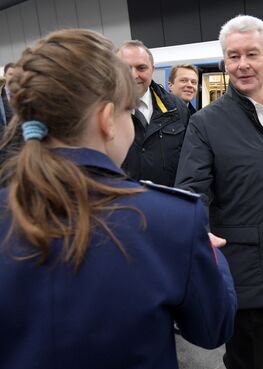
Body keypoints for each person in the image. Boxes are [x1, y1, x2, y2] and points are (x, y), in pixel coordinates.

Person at [0, 29, 236, 369]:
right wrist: (208, 251)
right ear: (107, 120)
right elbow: (213, 328)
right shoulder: (171, 221)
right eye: (128, 111)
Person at [175, 15, 263, 369]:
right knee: (246, 360)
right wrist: (199, 236)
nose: (242, 65)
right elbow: (191, 191)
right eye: (233, 56)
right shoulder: (206, 123)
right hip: (243, 270)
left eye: (251, 54)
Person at [117, 40, 189, 186]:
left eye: (141, 68)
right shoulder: (102, 110)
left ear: (152, 69)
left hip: (169, 202)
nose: (133, 75)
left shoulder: (176, 108)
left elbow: (191, 160)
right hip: (122, 204)